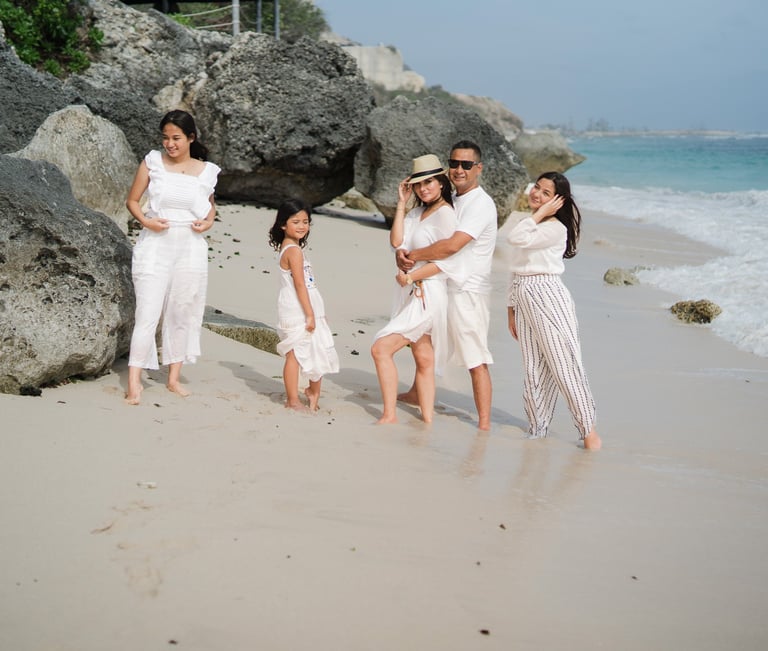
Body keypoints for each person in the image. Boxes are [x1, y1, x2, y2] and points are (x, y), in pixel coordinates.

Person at [396, 141, 497, 431]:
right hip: (440, 281)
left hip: (468, 289)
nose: (459, 169)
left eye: (467, 165)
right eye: (454, 163)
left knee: (474, 356)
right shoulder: (452, 198)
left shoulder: (480, 204)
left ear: (479, 168)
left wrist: (411, 256)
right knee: (423, 338)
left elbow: (452, 246)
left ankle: (485, 423)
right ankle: (417, 393)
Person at [125, 109, 220, 405]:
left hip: (190, 247)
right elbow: (132, 200)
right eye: (165, 138)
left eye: (176, 138)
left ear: (191, 138)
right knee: (147, 312)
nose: (170, 144)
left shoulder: (207, 171)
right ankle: (134, 381)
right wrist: (147, 221)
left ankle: (173, 377)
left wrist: (209, 221)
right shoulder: (152, 162)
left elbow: (209, 207)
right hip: (155, 244)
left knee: (182, 311)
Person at [506, 172, 601, 450]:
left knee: (564, 364)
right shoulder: (533, 223)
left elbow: (516, 237)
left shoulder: (553, 228)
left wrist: (541, 214)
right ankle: (537, 428)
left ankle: (589, 431)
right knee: (534, 368)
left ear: (558, 201)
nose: (537, 193)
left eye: (546, 193)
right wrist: (511, 309)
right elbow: (515, 268)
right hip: (525, 296)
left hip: (548, 295)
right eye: (537, 187)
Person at [371, 154, 462, 425]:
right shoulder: (416, 212)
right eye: (419, 184)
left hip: (428, 293)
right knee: (423, 356)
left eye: (430, 182)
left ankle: (389, 416)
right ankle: (428, 419)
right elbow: (397, 241)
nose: (424, 189)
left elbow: (448, 261)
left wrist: (412, 277)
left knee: (381, 349)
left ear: (442, 183)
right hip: (408, 291)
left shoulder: (447, 214)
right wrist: (401, 204)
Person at [269, 199, 339, 412]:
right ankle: (292, 400)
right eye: (295, 221)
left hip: (308, 304)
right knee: (294, 354)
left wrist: (316, 312)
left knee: (316, 347)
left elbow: (307, 284)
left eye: (306, 222)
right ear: (283, 224)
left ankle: (312, 391)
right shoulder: (293, 251)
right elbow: (299, 284)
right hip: (297, 307)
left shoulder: (293, 247)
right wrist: (309, 314)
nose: (302, 226)